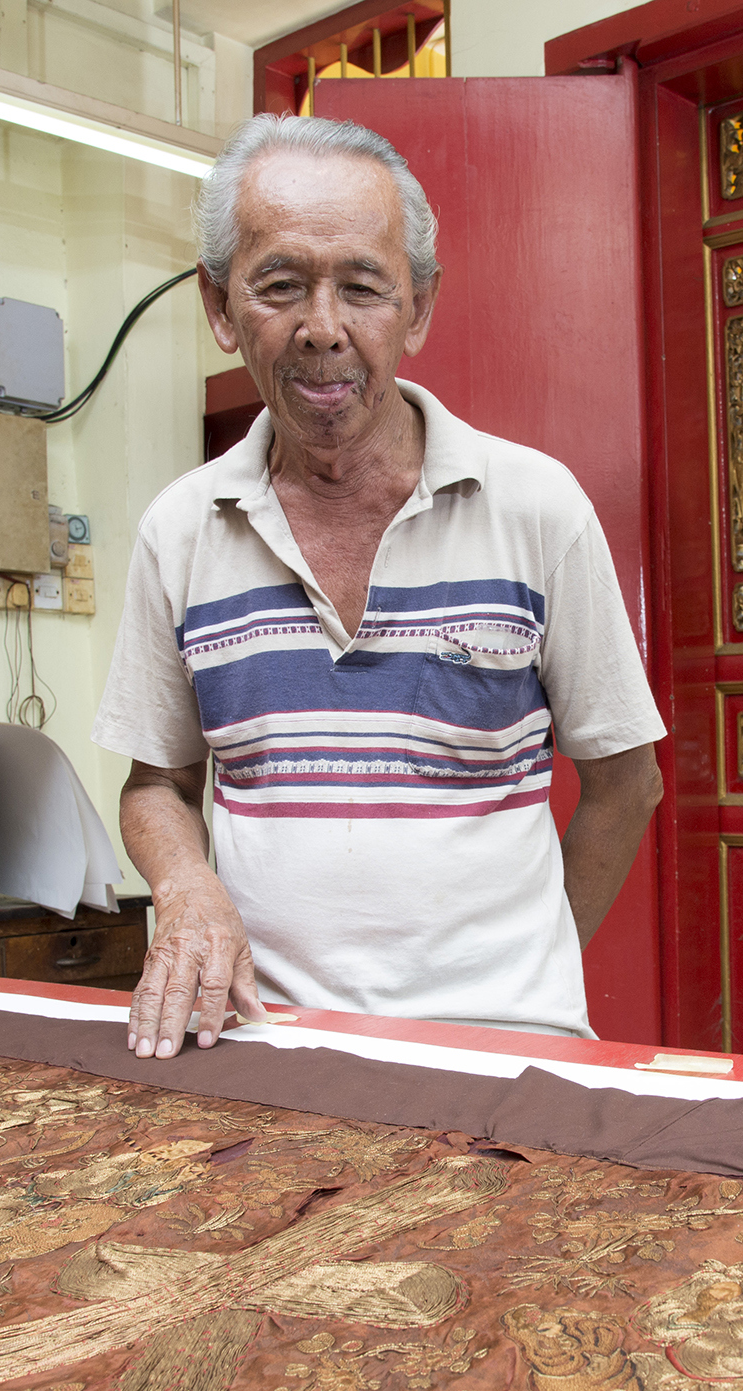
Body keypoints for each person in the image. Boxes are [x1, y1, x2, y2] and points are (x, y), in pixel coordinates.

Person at [93, 113, 665, 1060]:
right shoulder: (181, 530)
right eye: (280, 285)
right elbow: (158, 782)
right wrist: (186, 887)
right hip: (264, 1039)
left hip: (508, 1048)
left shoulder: (537, 508)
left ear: (419, 307)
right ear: (220, 306)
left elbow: (626, 782)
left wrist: (529, 971)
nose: (323, 329)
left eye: (363, 287)